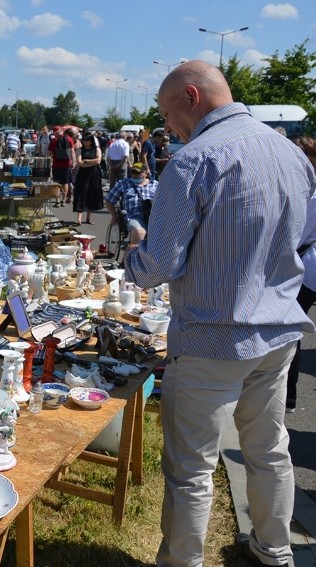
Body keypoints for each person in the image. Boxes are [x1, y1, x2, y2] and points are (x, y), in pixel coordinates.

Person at [122, 60, 316, 567]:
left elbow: (159, 264)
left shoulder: (193, 161)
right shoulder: (292, 155)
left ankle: (182, 562)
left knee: (191, 469)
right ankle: (274, 550)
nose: (166, 126)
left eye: (167, 113)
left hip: (214, 336)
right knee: (270, 449)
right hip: (277, 331)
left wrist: (134, 255)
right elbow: (302, 240)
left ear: (192, 96)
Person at [286, 136, 316, 413]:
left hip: (310, 271)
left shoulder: (311, 192)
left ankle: (288, 397)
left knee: (290, 329)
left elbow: (296, 235)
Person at [104, 162, 157, 247]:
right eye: (133, 172)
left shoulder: (155, 185)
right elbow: (109, 200)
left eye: (138, 173)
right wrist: (114, 215)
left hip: (154, 216)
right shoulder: (123, 184)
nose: (134, 175)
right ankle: (134, 257)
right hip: (134, 216)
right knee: (139, 232)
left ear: (145, 173)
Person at [72, 135, 104, 224]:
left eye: (87, 140)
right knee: (81, 194)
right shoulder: (80, 150)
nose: (85, 142)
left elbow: (98, 161)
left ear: (91, 141)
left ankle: (88, 217)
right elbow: (79, 163)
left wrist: (86, 161)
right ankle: (79, 218)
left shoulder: (97, 149)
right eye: (84, 140)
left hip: (94, 174)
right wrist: (91, 162)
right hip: (83, 174)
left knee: (92, 194)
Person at [48, 127, 75, 207]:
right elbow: (72, 151)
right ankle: (63, 200)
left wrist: (52, 156)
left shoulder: (53, 140)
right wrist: (73, 161)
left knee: (56, 182)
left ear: (55, 132)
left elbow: (49, 153)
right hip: (67, 164)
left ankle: (57, 201)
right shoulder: (69, 139)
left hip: (56, 165)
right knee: (65, 182)